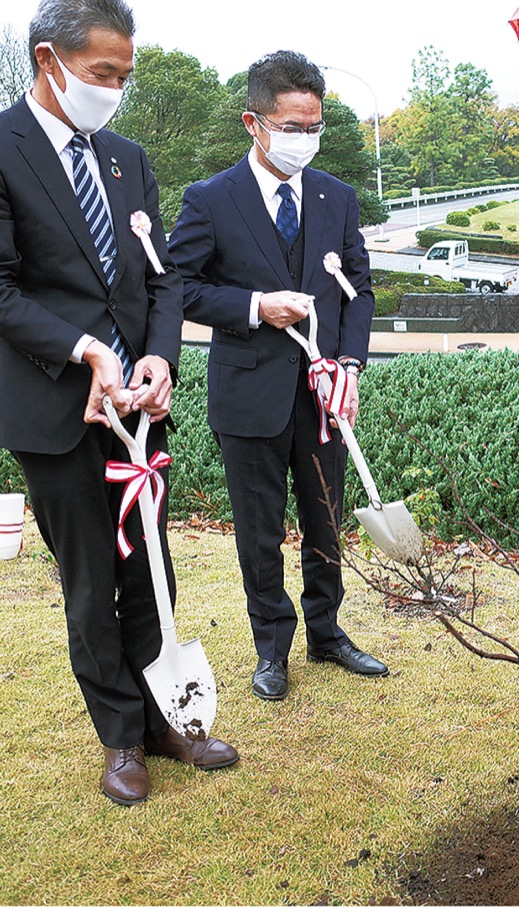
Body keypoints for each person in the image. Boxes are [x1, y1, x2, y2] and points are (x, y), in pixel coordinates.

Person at [0, 0, 238, 806]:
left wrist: (160, 355)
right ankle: (120, 736)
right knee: (90, 575)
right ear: (48, 60)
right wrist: (88, 350)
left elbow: (161, 277)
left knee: (150, 566)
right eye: (103, 74)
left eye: (124, 76)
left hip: (138, 408)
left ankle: (168, 717)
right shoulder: (2, 149)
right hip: (57, 407)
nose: (115, 90)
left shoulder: (127, 160)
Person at [168, 50, 385, 702]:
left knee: (325, 520)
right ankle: (272, 647)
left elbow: (359, 289)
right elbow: (177, 287)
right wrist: (256, 307)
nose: (305, 139)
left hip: (323, 398)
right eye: (292, 126)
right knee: (259, 532)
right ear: (254, 123)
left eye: (313, 125)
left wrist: (348, 362)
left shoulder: (336, 197)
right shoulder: (210, 200)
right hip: (249, 393)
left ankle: (327, 630)